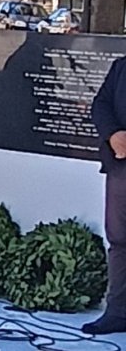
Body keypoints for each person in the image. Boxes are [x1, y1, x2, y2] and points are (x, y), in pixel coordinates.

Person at [86, 58, 126, 335]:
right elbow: (101, 104)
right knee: (120, 240)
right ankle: (117, 313)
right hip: (122, 168)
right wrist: (113, 134)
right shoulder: (122, 66)